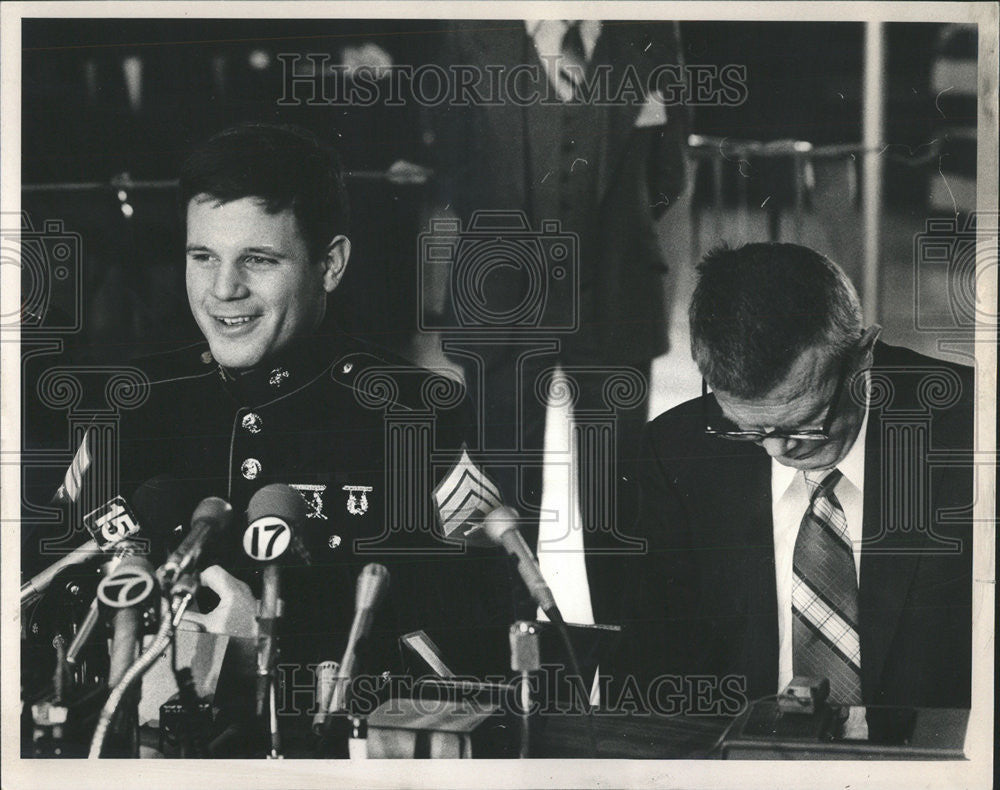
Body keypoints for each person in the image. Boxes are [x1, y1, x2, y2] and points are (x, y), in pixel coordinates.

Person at [28, 124, 514, 752]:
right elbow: (45, 617)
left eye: (257, 259)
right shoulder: (130, 404)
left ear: (330, 264)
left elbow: (472, 666)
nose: (223, 289)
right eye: (202, 256)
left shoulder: (416, 416)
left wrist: (270, 646)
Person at [621, 242, 972, 710]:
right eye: (747, 428)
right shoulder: (676, 453)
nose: (777, 448)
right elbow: (657, 669)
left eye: (805, 420)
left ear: (863, 353)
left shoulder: (973, 434)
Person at [431, 20, 688, 625]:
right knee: (499, 502)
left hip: (615, 299)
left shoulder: (652, 31)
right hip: (500, 304)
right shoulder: (473, 30)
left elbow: (668, 173)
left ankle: (624, 687)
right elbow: (453, 164)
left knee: (616, 504)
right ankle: (505, 677)